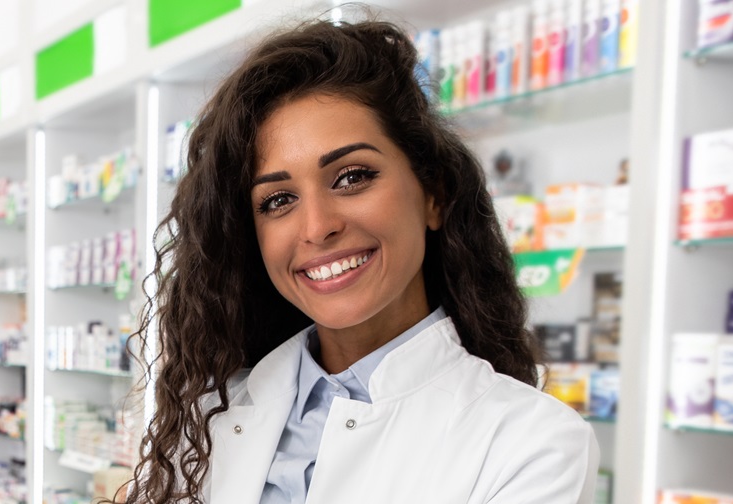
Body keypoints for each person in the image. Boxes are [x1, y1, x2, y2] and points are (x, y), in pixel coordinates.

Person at [120, 13, 599, 504]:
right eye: (278, 200)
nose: (317, 226)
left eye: (352, 176)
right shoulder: (209, 416)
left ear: (433, 193)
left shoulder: (532, 443)